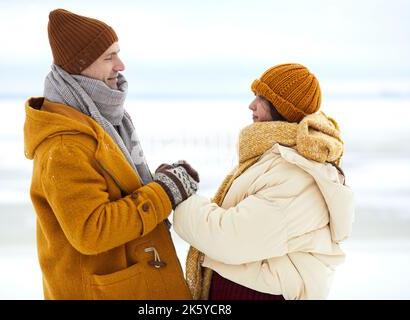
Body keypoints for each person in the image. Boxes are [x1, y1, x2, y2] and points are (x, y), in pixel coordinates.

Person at [23, 8, 198, 299]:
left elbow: (110, 191)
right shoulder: (65, 144)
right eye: (108, 57)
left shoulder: (100, 120)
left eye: (118, 53)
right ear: (80, 66)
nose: (121, 65)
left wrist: (156, 183)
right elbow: (93, 229)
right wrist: (163, 194)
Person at [173, 63, 355, 300]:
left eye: (261, 97)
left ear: (282, 108)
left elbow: (230, 238)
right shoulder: (279, 158)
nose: (251, 105)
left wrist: (180, 196)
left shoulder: (295, 174)